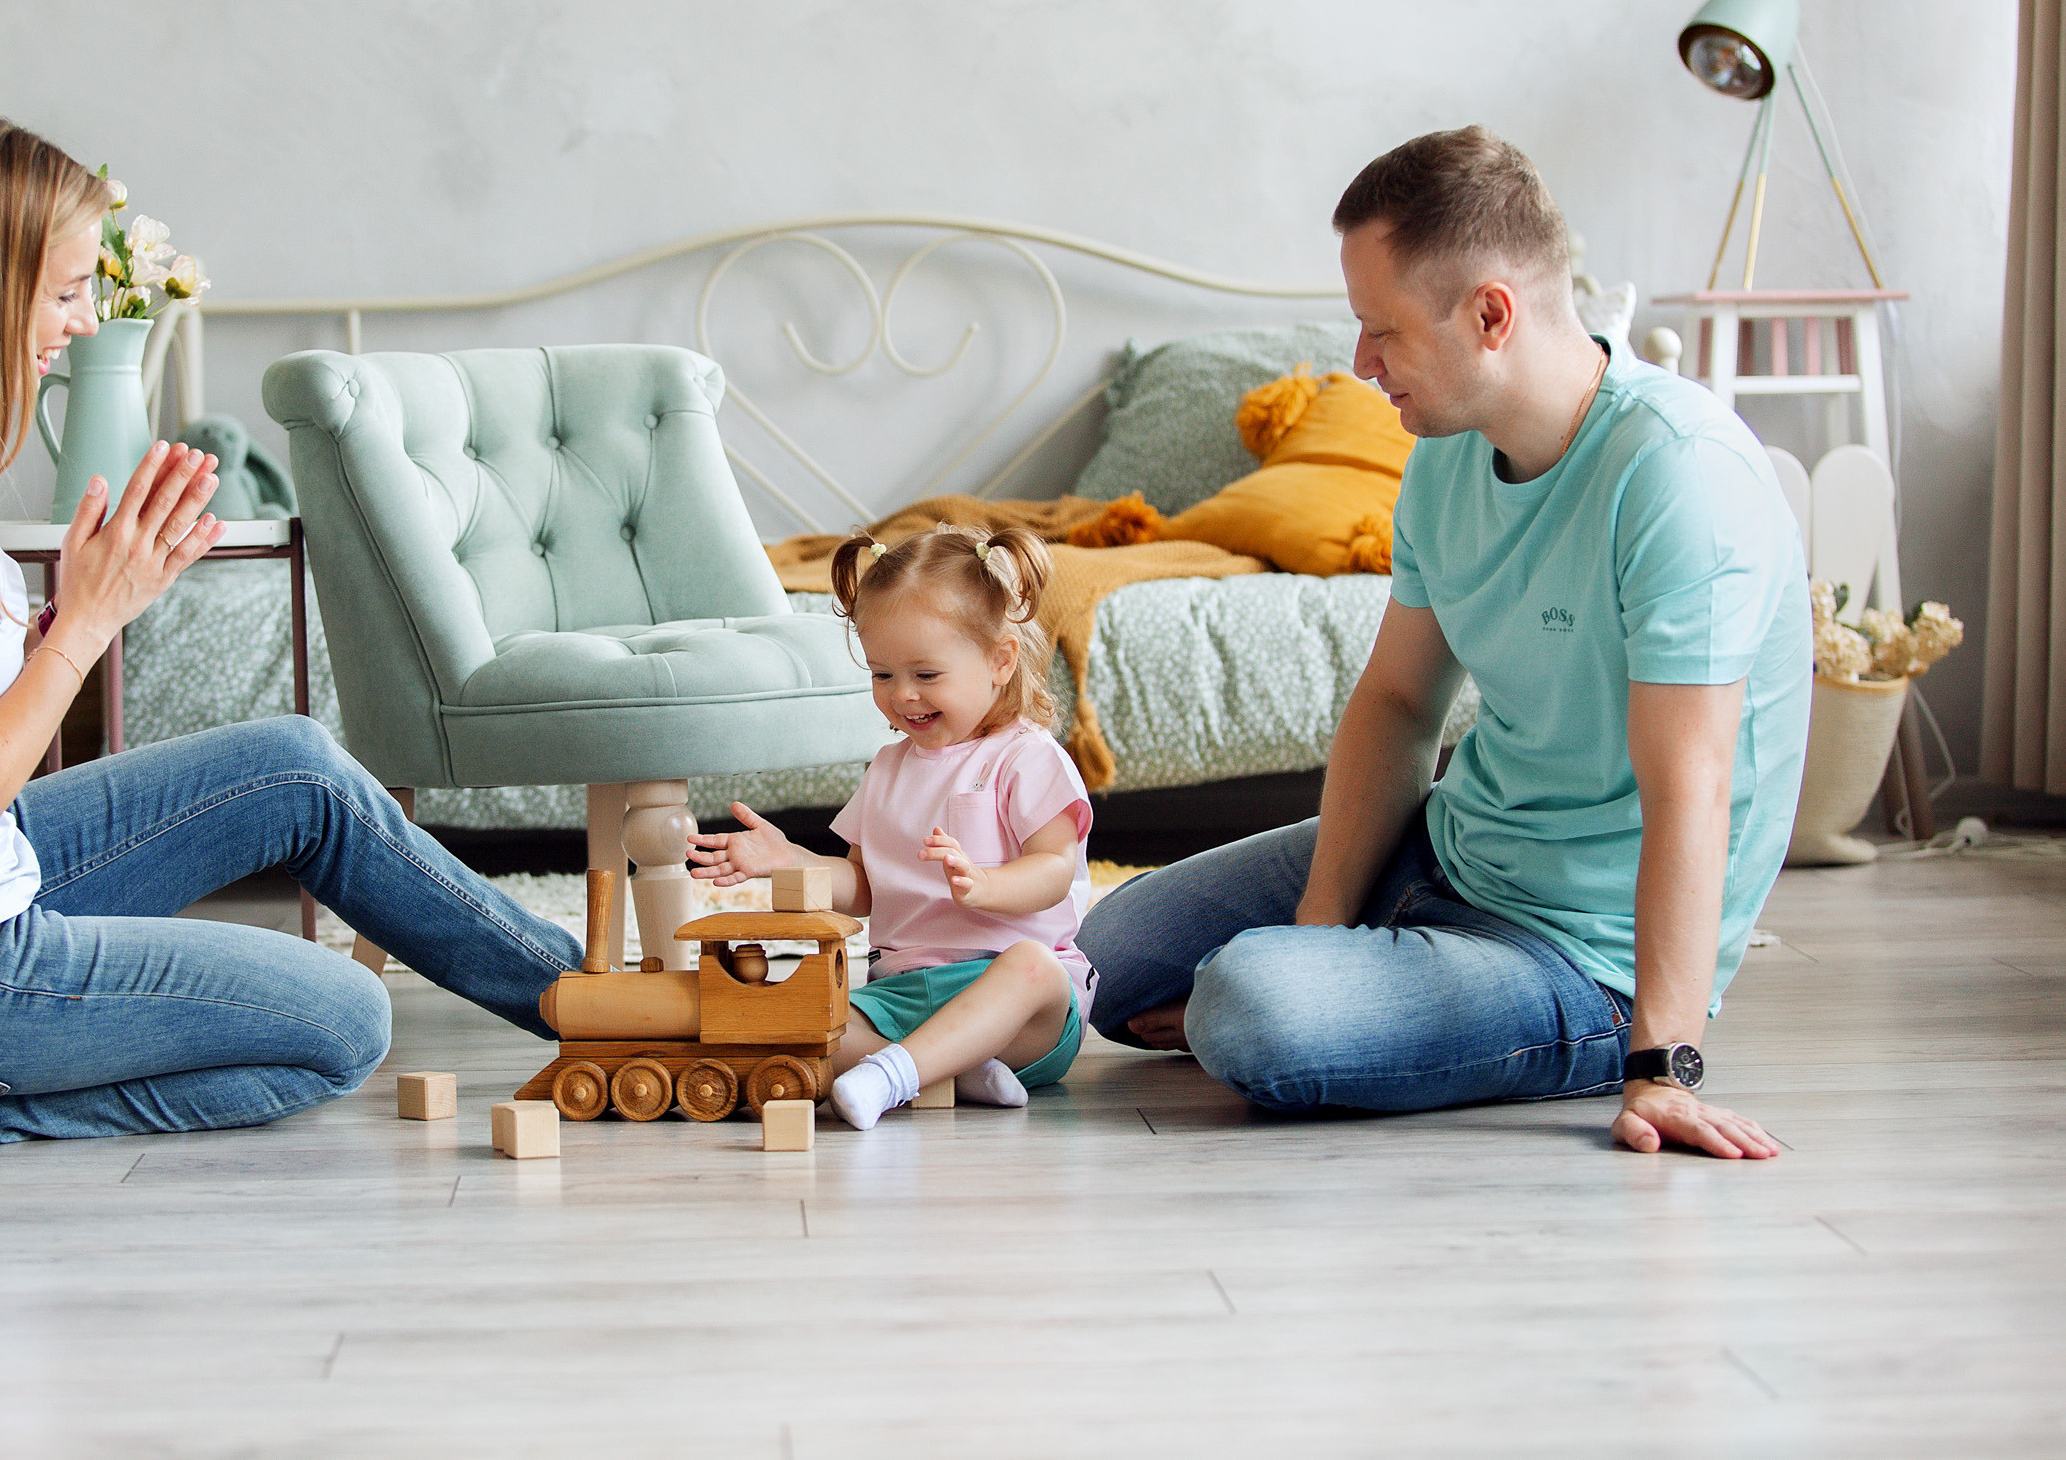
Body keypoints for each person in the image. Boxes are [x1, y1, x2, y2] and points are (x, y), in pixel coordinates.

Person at [0, 114, 580, 1144]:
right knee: (346, 1021)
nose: (84, 320)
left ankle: (583, 999)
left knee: (297, 769)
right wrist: (85, 623)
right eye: (60, 291)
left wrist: (84, 599)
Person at [1079, 127, 1805, 1160]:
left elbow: (1688, 785)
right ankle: (1359, 976)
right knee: (1105, 958)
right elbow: (1397, 705)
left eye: (1382, 330)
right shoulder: (1446, 458)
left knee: (1246, 1009)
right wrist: (1318, 932)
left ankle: (1553, 1037)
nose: (1360, 364)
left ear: (1489, 315)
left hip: (1580, 955)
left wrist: (1663, 1062)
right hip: (1451, 851)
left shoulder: (1678, 475)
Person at [687, 526, 1093, 1130]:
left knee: (1034, 965)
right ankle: (944, 1067)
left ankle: (900, 1073)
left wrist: (987, 886)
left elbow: (1056, 870)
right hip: (903, 995)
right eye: (882, 675)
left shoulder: (1027, 758)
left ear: (1000, 660)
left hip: (1013, 999)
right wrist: (789, 858)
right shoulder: (887, 769)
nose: (903, 696)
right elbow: (863, 885)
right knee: (790, 1026)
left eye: (926, 675)